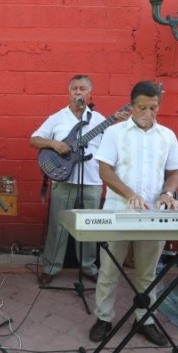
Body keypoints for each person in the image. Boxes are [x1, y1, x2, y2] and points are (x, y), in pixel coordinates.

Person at [90, 81, 178, 346]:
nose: (147, 113)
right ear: (131, 106)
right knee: (109, 269)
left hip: (153, 214)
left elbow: (175, 172)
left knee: (148, 272)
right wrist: (129, 193)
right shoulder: (115, 133)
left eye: (153, 108)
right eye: (142, 107)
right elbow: (105, 171)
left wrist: (168, 192)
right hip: (119, 211)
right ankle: (103, 318)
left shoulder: (167, 136)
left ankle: (145, 318)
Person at [29, 75, 112, 285]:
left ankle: (88, 266)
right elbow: (34, 140)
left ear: (89, 93)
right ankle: (51, 267)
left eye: (82, 88)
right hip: (63, 180)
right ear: (68, 92)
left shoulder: (100, 119)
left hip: (92, 180)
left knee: (90, 226)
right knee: (58, 225)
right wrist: (54, 144)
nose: (78, 92)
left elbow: (113, 148)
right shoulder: (57, 118)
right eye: (74, 88)